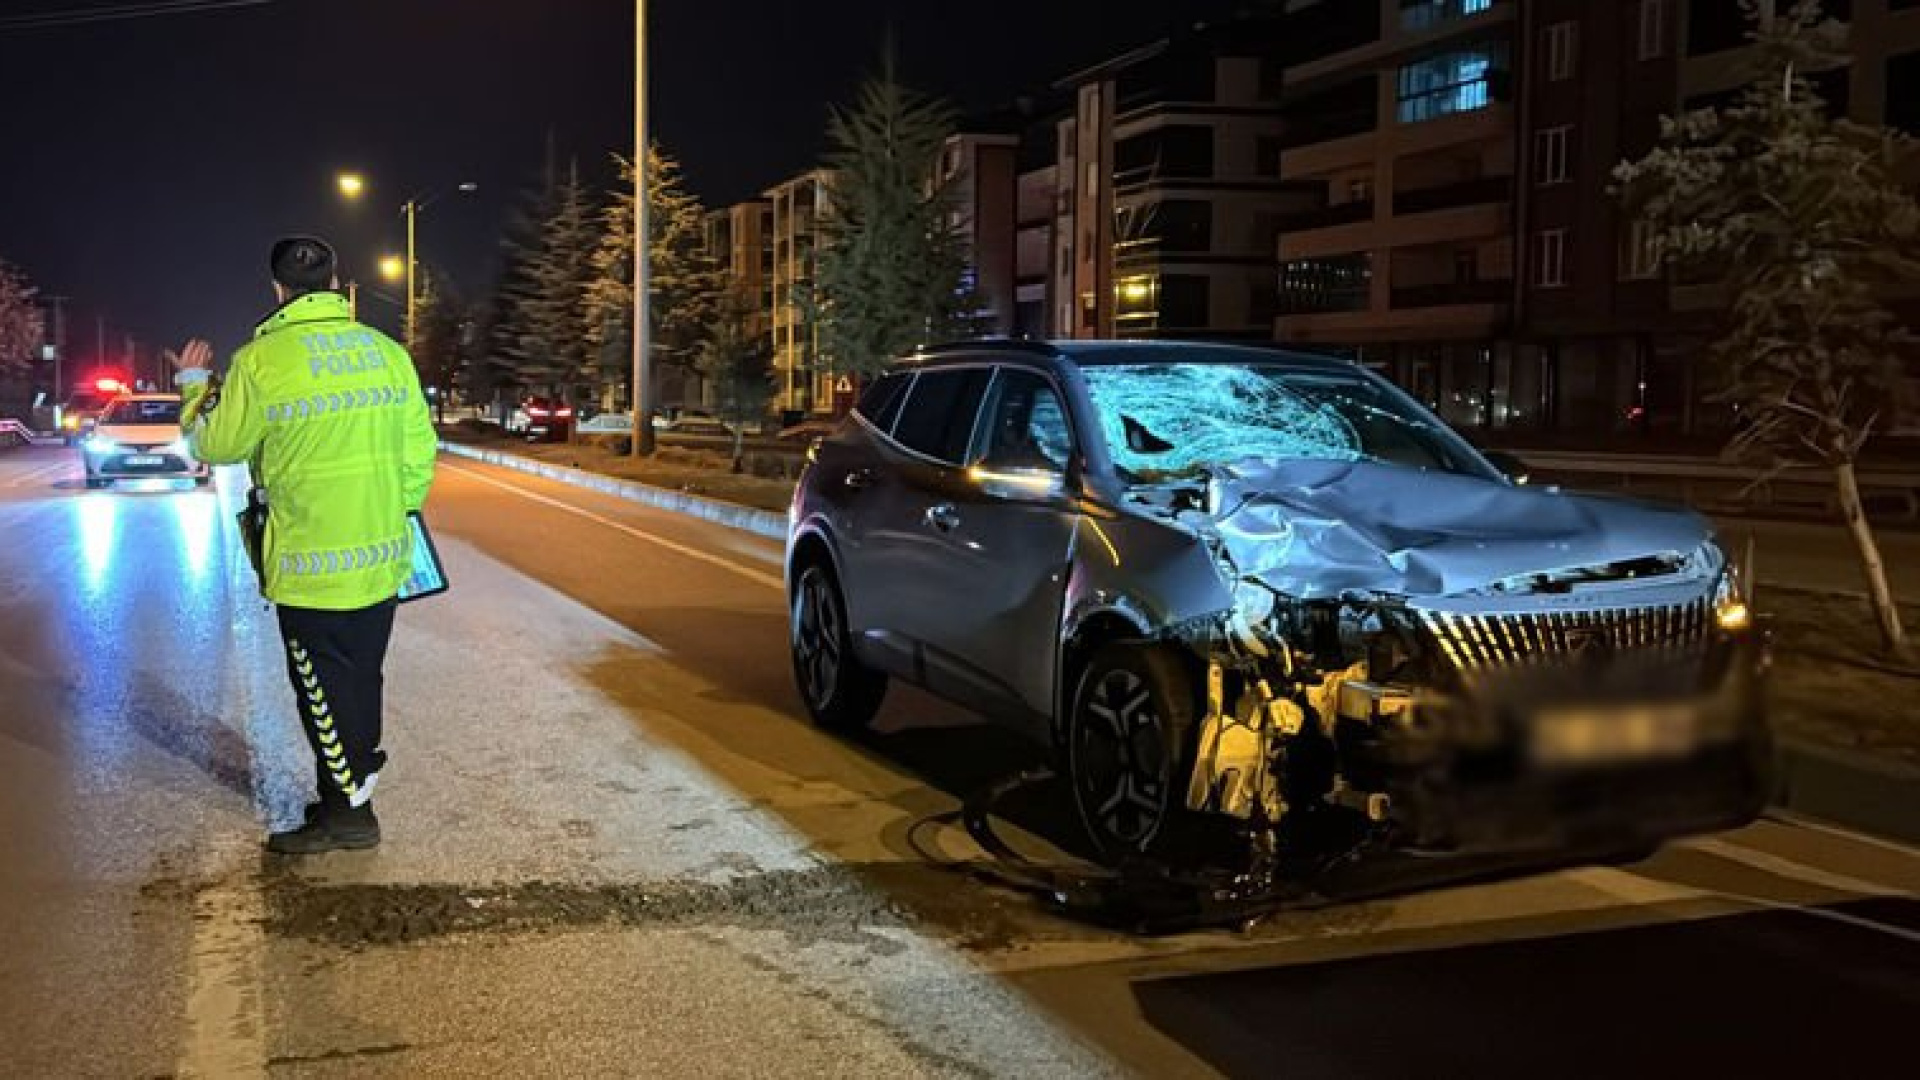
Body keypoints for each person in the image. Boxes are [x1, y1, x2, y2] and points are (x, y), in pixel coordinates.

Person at [170, 235, 438, 854]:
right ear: (335, 284)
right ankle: (352, 795)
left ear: (278, 289)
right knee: (360, 682)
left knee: (321, 692)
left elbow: (214, 446)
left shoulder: (262, 362)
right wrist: (391, 512)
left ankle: (348, 817)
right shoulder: (386, 353)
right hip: (381, 557)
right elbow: (419, 451)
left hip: (310, 565)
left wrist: (192, 388)